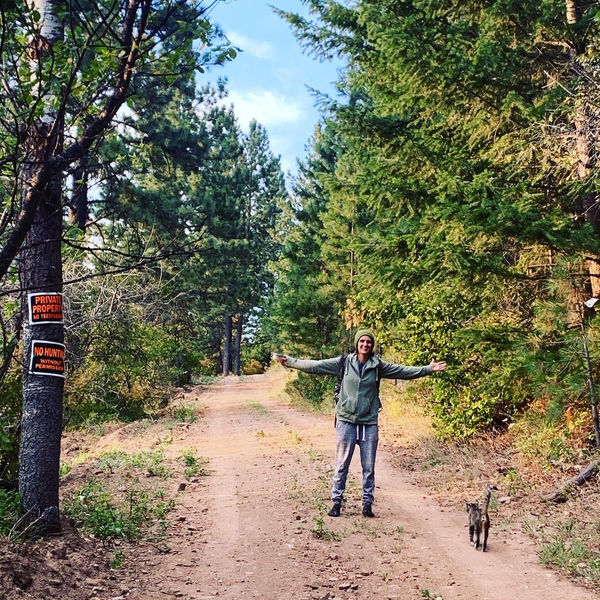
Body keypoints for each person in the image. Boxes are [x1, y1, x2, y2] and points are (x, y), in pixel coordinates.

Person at [274, 329, 447, 518]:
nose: (365, 344)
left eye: (368, 342)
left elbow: (403, 371)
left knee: (368, 467)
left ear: (372, 345)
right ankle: (336, 502)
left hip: (368, 422)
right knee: (342, 464)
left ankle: (367, 505)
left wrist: (428, 369)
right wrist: (290, 361)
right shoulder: (343, 362)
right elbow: (315, 366)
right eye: (362, 341)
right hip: (346, 421)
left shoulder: (378, 366)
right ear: (357, 343)